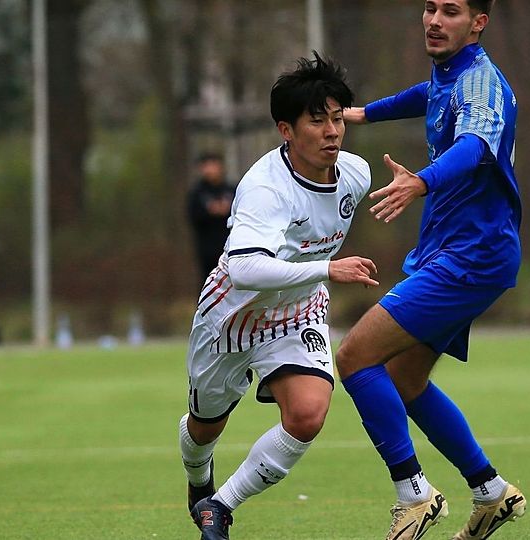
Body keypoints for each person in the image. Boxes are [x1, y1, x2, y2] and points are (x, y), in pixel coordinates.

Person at [336, 1, 526, 539]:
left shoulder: (482, 84)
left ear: (479, 23)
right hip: (455, 250)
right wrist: (361, 116)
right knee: (403, 377)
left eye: (452, 10)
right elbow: (424, 97)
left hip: (472, 255)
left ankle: (414, 493)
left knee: (353, 356)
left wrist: (421, 181)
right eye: (429, 7)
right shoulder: (449, 74)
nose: (434, 19)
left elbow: (472, 147)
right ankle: (490, 491)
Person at [180, 52, 376, 540]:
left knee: (308, 414)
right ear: (286, 130)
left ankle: (220, 506)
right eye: (317, 121)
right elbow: (244, 269)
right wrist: (328, 267)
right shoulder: (265, 189)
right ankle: (198, 478)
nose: (332, 131)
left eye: (337, 119)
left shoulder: (356, 174)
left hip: (299, 311)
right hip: (231, 317)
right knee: (205, 427)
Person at [188, 152, 237, 280]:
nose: (210, 170)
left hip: (231, 247)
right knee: (209, 281)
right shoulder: (197, 193)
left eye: (213, 165)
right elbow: (193, 217)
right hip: (208, 248)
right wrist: (211, 211)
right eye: (206, 166)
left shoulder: (231, 190)